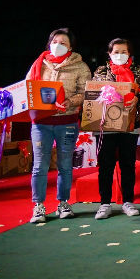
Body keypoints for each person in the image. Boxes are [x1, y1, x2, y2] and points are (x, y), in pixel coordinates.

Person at [26, 28, 91, 223]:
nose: (58, 45)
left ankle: (63, 203)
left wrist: (70, 102)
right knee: (40, 165)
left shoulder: (80, 67)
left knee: (65, 165)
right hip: (41, 123)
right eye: (55, 41)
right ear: (49, 43)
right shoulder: (39, 64)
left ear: (70, 47)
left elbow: (86, 91)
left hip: (67, 122)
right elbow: (28, 87)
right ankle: (38, 206)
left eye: (63, 43)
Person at [92, 38, 140, 220]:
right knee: (105, 165)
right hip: (106, 125)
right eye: (116, 52)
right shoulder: (101, 71)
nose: (120, 55)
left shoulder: (138, 71)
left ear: (130, 54)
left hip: (130, 125)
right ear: (109, 54)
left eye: (124, 52)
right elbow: (93, 94)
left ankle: (128, 202)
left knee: (128, 164)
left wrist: (138, 98)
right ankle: (104, 203)